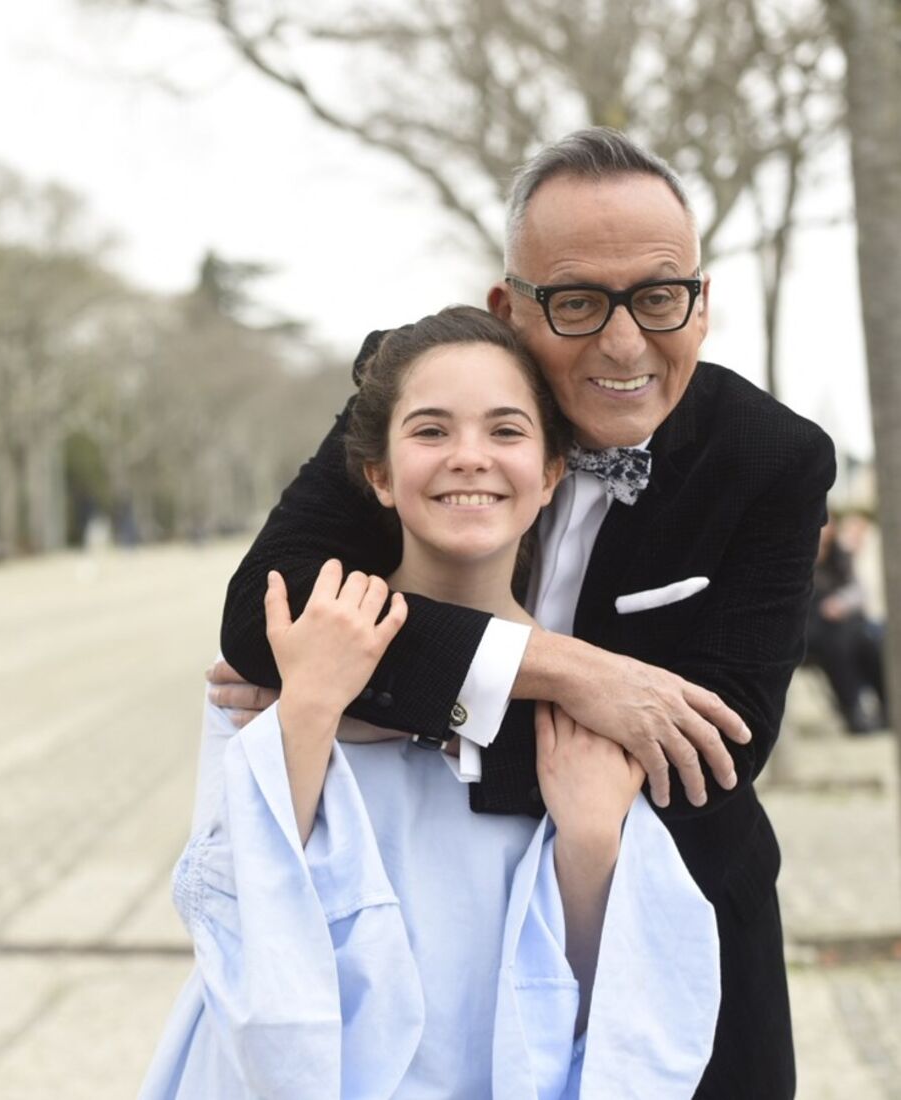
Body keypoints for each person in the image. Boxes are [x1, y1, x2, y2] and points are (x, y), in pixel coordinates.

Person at [214, 129, 836, 1098]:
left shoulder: (774, 459)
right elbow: (263, 618)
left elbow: (714, 748)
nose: (624, 342)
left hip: (672, 922)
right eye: (578, 301)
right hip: (420, 935)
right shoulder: (424, 397)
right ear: (512, 304)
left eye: (658, 295)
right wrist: (568, 671)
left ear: (701, 302)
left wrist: (354, 711)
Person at [139, 308, 719, 1098]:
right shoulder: (296, 653)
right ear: (378, 472)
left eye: (507, 432)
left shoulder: (594, 696)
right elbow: (239, 913)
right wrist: (309, 710)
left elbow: (622, 1004)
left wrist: (590, 846)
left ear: (553, 471)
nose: (469, 459)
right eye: (431, 432)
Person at [805, 514, 888, 733]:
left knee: (869, 641)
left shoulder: (839, 556)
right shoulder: (800, 558)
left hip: (843, 624)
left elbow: (858, 590)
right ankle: (853, 710)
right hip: (810, 629)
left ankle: (887, 708)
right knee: (838, 645)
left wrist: (840, 603)